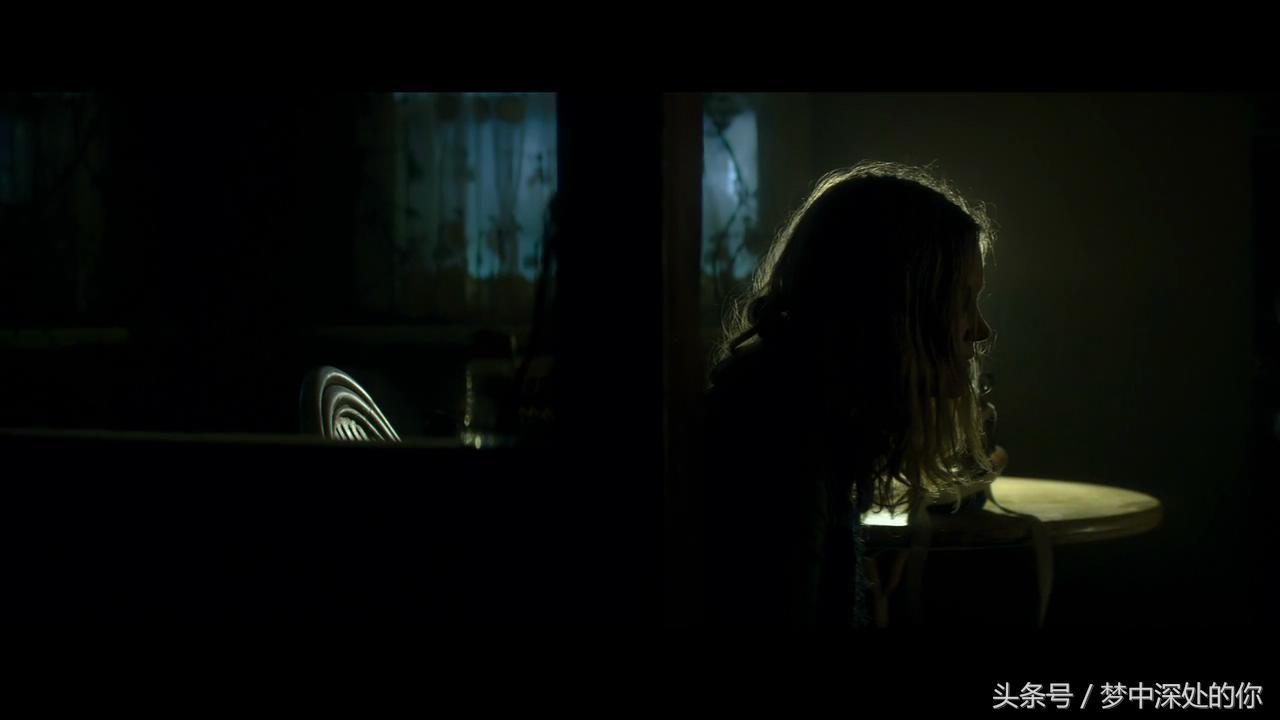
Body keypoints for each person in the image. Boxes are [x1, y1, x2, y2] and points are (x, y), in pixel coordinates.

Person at [699, 161, 1001, 627]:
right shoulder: (780, 434)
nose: (980, 330)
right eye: (960, 301)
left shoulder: (810, 410)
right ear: (891, 306)